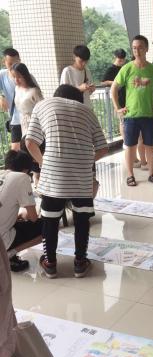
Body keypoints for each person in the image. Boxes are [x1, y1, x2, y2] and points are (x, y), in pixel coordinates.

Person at [24, 84, 108, 279]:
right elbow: (103, 148)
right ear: (77, 99)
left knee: (50, 220)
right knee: (81, 219)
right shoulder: (87, 111)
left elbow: (29, 142)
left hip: (53, 176)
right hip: (81, 177)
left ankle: (50, 264)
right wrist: (85, 161)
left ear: (57, 96)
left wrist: (44, 163)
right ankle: (80, 263)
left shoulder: (43, 105)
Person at [112, 35, 153, 187]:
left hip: (149, 115)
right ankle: (130, 175)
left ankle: (151, 174)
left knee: (150, 145)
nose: (137, 51)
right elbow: (114, 88)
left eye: (140, 47)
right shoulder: (127, 68)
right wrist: (118, 108)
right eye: (134, 48)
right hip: (131, 116)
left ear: (146, 49)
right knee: (130, 146)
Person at [0, 151, 41, 272]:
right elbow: (33, 217)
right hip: (2, 240)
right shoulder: (21, 177)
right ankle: (9, 254)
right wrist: (23, 214)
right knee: (46, 226)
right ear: (26, 169)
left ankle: (10, 257)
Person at [60, 45, 95, 110]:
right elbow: (63, 93)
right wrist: (79, 89)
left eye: (86, 61)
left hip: (87, 108)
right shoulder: (67, 71)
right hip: (74, 109)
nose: (84, 64)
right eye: (81, 61)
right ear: (74, 57)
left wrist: (91, 89)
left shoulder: (87, 71)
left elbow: (88, 93)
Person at [0, 49, 21, 151]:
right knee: (15, 150)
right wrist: (1, 96)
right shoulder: (2, 75)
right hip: (15, 119)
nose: (13, 66)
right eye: (10, 64)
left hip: (30, 118)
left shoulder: (27, 76)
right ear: (4, 62)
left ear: (20, 61)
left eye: (15, 63)